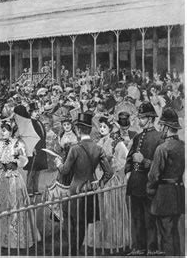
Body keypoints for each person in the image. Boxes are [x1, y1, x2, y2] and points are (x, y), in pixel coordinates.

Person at [56, 112, 113, 255]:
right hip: (89, 189)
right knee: (82, 222)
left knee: (70, 220)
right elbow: (109, 173)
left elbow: (65, 170)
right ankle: (76, 249)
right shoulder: (98, 148)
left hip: (75, 189)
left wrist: (58, 163)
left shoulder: (75, 148)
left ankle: (72, 250)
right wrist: (99, 184)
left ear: (79, 130)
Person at [0, 120, 39, 249]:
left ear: (11, 131)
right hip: (3, 178)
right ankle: (2, 239)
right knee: (2, 204)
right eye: (2, 130)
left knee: (15, 204)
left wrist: (18, 156)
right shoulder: (0, 145)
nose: (2, 132)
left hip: (14, 178)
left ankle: (17, 239)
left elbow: (24, 162)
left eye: (5, 130)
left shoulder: (17, 143)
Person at [124, 101, 163, 256]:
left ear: (150, 118)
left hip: (149, 183)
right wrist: (128, 172)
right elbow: (129, 159)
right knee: (136, 218)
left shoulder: (160, 137)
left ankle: (151, 248)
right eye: (139, 117)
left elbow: (161, 166)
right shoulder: (138, 136)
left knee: (149, 218)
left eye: (142, 117)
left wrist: (144, 161)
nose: (139, 120)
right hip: (135, 183)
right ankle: (139, 248)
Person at [85, 116, 131, 249]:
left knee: (112, 209)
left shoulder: (116, 142)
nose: (102, 129)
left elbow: (125, 159)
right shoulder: (98, 142)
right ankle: (102, 238)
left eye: (105, 127)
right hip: (100, 178)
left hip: (112, 180)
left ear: (110, 128)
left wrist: (112, 162)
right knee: (101, 209)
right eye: (100, 127)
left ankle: (115, 239)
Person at [147, 107, 185, 256]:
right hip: (179, 193)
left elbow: (153, 176)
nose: (160, 128)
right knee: (175, 232)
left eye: (162, 125)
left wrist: (150, 192)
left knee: (165, 235)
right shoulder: (183, 146)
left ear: (168, 127)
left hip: (164, 196)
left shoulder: (162, 149)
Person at [13, 105, 48, 194]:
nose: (37, 113)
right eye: (35, 112)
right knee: (32, 170)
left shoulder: (39, 122)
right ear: (31, 113)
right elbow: (27, 137)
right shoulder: (30, 123)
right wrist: (31, 147)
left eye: (37, 111)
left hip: (41, 148)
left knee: (38, 170)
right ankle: (29, 189)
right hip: (33, 149)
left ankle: (35, 189)